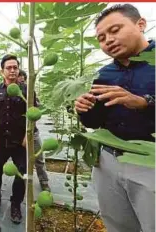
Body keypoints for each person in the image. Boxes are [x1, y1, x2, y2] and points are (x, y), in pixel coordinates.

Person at [75, 4, 155, 232]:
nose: (108, 40)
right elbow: (94, 122)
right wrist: (84, 110)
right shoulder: (103, 75)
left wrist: (145, 102)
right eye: (101, 37)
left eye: (115, 30)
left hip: (150, 162)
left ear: (141, 24)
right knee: (118, 226)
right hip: (109, 162)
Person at [0, 54, 39, 224]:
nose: (12, 70)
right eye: (9, 68)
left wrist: (27, 136)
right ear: (2, 71)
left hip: (20, 142)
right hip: (0, 140)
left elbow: (33, 114)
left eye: (15, 67)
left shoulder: (27, 91)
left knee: (21, 174)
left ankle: (16, 204)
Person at [18, 69, 50, 192]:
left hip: (32, 132)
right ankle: (25, 181)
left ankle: (44, 181)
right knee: (23, 161)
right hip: (18, 134)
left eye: (22, 77)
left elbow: (34, 113)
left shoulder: (29, 91)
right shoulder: (11, 91)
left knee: (39, 158)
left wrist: (28, 133)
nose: (20, 79)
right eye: (19, 77)